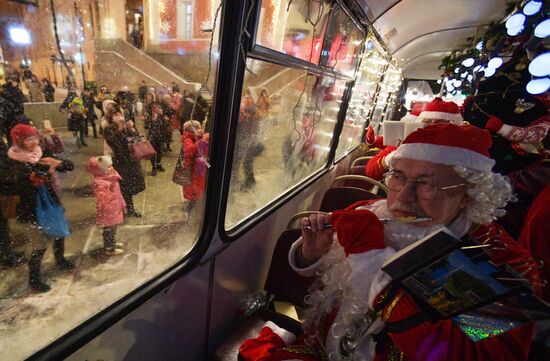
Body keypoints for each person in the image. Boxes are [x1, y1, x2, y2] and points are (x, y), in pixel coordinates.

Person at [240, 124, 540, 361]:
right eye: (398, 176)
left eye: (427, 183)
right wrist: (311, 254)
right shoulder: (371, 213)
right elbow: (321, 283)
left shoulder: (500, 262)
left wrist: (372, 262)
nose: (402, 196)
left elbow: (468, 356)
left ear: (469, 193)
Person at [3, 124, 75, 292]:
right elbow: (8, 186)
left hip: (51, 202)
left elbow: (68, 166)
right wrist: (31, 177)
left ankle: (61, 260)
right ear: (19, 140)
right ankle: (34, 279)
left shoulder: (40, 152)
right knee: (39, 244)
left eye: (35, 137)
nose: (34, 141)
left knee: (59, 233)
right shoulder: (11, 160)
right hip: (30, 210)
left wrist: (59, 163)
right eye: (29, 139)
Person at [103, 109, 145, 217]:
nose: (118, 117)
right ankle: (129, 208)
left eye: (119, 114)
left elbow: (137, 140)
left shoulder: (127, 126)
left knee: (134, 186)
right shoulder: (109, 129)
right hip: (120, 163)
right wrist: (120, 130)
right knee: (124, 187)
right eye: (115, 115)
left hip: (132, 161)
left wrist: (132, 129)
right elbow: (114, 144)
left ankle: (127, 206)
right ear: (111, 118)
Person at [86, 156, 126, 256]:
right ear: (100, 170)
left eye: (111, 165)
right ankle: (109, 249)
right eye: (108, 167)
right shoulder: (101, 182)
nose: (111, 168)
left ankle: (111, 243)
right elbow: (101, 198)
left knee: (112, 229)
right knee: (109, 230)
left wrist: (121, 203)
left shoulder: (110, 177)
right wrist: (106, 194)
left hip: (114, 207)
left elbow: (117, 193)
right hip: (108, 210)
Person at [180, 120, 209, 214]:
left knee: (197, 187)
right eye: (198, 127)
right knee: (193, 189)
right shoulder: (187, 139)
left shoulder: (195, 136)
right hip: (192, 169)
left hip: (196, 167)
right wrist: (202, 140)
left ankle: (195, 203)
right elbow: (189, 150)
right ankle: (192, 209)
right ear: (192, 130)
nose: (201, 129)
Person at [144, 102, 167, 175]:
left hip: (160, 137)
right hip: (152, 137)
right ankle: (154, 168)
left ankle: (158, 165)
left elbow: (164, 125)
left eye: (159, 107)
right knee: (152, 152)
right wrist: (153, 120)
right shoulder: (150, 116)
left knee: (159, 151)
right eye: (156, 107)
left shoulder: (161, 116)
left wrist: (163, 118)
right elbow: (147, 127)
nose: (159, 109)